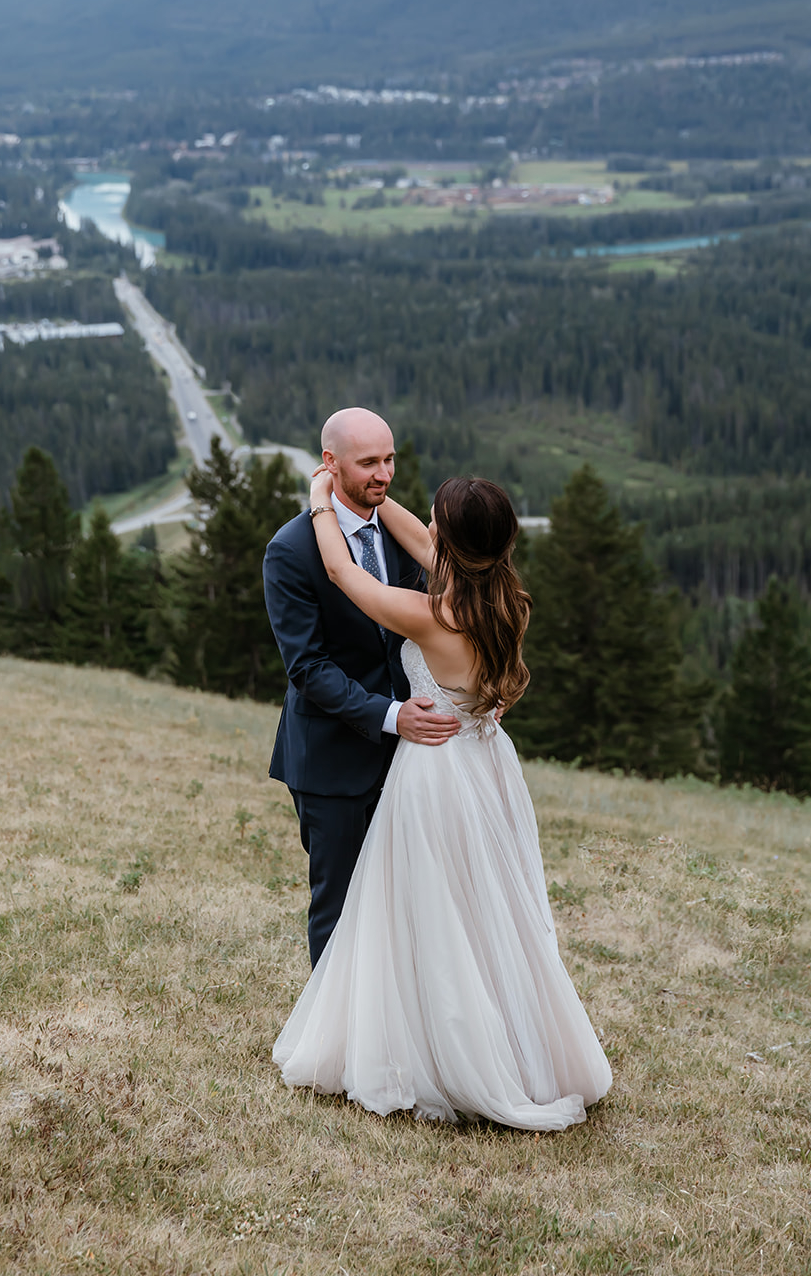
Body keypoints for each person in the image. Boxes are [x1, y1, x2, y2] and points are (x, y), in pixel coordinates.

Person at [273, 467, 613, 1131]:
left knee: (434, 906)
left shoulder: (432, 614)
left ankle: (444, 1049)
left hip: (436, 768)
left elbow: (348, 577)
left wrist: (322, 501)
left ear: (449, 540)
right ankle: (517, 1046)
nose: (422, 527)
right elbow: (426, 543)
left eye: (434, 521)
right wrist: (371, 488)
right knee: (490, 908)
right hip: (487, 763)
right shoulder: (505, 596)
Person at [263, 408, 460, 965]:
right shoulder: (291, 550)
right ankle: (336, 1045)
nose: (384, 474)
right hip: (332, 759)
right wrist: (394, 715)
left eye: (390, 459)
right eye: (369, 462)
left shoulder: (401, 536)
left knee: (406, 902)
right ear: (330, 463)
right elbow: (307, 668)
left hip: (411, 761)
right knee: (341, 906)